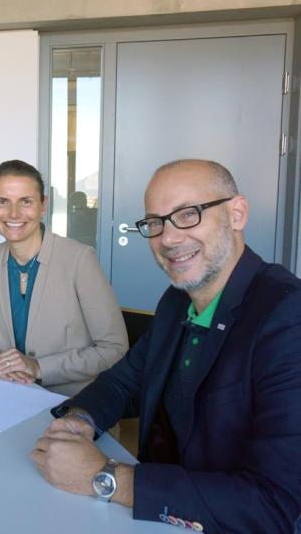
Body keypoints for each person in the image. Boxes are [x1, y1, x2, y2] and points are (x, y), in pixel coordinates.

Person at [32, 159, 301, 534]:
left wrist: (104, 476)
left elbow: (272, 504)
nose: (169, 239)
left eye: (188, 214)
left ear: (236, 214)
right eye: (156, 223)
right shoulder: (176, 302)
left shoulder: (287, 316)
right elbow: (125, 382)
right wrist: (81, 420)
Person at [0, 160, 128, 396]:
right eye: (2, 202)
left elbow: (114, 348)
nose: (13, 213)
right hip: (12, 397)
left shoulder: (79, 259)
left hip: (75, 403)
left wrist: (38, 367)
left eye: (26, 201)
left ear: (43, 205)